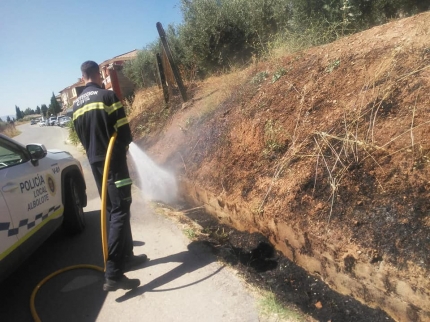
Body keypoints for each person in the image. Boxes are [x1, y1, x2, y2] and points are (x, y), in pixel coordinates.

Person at [73, 61, 147, 291]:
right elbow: (124, 132)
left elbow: (82, 138)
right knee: (120, 209)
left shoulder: (75, 107)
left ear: (83, 76)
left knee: (113, 210)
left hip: (96, 164)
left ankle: (127, 256)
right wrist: (124, 146)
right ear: (97, 74)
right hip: (113, 163)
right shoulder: (107, 96)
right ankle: (114, 272)